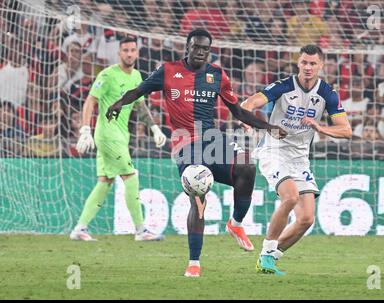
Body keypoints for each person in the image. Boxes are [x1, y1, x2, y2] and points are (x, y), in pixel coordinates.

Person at [106, 29, 287, 277]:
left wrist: (269, 128)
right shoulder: (168, 70)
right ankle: (194, 262)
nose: (201, 51)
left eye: (205, 48)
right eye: (196, 47)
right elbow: (138, 91)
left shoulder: (217, 75)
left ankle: (235, 224)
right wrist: (118, 103)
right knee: (199, 196)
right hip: (185, 144)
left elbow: (238, 111)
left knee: (247, 166)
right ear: (187, 47)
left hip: (212, 139)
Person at [241, 44, 352, 275]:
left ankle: (268, 258)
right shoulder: (283, 86)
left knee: (306, 219)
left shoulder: (327, 94)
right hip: (274, 150)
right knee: (290, 197)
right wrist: (248, 120)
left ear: (321, 65)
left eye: (313, 63)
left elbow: (346, 130)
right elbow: (249, 103)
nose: (308, 67)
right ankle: (268, 248)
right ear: (298, 63)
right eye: (304, 62)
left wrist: (319, 127)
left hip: (300, 158)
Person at [70, 37, 167, 242]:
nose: (129, 54)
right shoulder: (107, 75)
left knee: (105, 181)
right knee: (130, 176)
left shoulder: (137, 76)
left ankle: (79, 228)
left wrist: (155, 128)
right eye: (125, 50)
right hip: (108, 134)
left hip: (122, 135)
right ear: (119, 53)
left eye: (132, 50)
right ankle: (141, 231)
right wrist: (85, 129)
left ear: (137, 53)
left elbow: (139, 106)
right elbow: (91, 101)